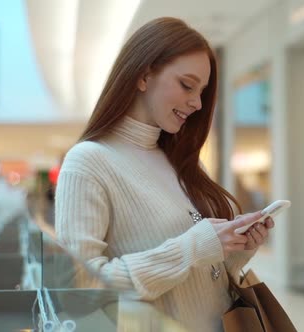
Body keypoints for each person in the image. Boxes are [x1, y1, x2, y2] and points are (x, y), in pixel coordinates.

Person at [55, 17, 275, 331]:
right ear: (144, 75)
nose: (197, 103)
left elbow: (201, 273)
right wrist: (193, 247)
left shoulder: (182, 161)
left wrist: (237, 246)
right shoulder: (89, 162)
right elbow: (80, 291)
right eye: (187, 85)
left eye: (202, 91)